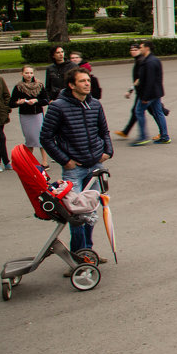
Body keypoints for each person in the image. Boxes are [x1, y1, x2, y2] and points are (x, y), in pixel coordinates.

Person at [40, 66, 113, 257]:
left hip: (95, 166)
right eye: (82, 81)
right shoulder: (58, 107)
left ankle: (87, 251)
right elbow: (46, 138)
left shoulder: (95, 104)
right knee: (76, 215)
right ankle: (78, 255)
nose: (87, 84)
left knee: (90, 213)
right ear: (72, 85)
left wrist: (108, 151)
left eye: (88, 80)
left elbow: (104, 131)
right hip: (74, 170)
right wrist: (65, 161)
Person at [9, 65, 51, 165]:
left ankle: (44, 162)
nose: (29, 75)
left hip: (37, 115)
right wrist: (19, 103)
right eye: (26, 73)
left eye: (31, 73)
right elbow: (11, 103)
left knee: (40, 138)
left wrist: (36, 100)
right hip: (25, 116)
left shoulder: (39, 85)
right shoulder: (19, 87)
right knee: (30, 138)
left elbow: (46, 100)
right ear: (22, 74)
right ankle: (29, 161)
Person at [132, 41, 169, 146]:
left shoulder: (149, 62)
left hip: (150, 93)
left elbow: (149, 81)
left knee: (139, 111)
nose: (140, 49)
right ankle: (165, 136)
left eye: (141, 47)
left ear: (147, 48)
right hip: (156, 92)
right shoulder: (153, 60)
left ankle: (143, 137)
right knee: (158, 113)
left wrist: (145, 96)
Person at [116, 42, 144, 138]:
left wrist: (130, 90)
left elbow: (140, 78)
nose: (133, 52)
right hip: (141, 91)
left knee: (139, 111)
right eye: (131, 50)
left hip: (143, 92)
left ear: (140, 50)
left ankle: (132, 133)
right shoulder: (138, 60)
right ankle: (126, 131)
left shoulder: (140, 61)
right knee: (151, 111)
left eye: (135, 50)